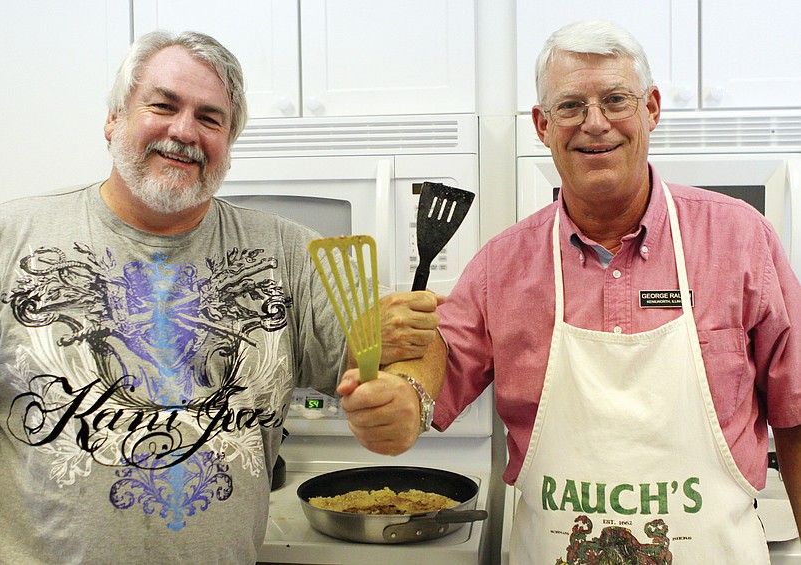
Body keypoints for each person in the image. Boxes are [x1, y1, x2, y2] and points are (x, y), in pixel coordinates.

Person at [0, 30, 440, 564]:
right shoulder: (2, 243)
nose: (183, 131)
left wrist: (410, 394)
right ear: (113, 118)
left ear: (228, 142)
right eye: (162, 105)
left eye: (210, 118)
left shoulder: (290, 254)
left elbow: (411, 340)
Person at [341, 19, 801, 563]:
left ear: (651, 109)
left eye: (615, 100)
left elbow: (796, 413)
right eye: (570, 107)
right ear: (541, 124)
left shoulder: (740, 239)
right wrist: (388, 394)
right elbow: (426, 379)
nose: (595, 123)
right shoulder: (501, 267)